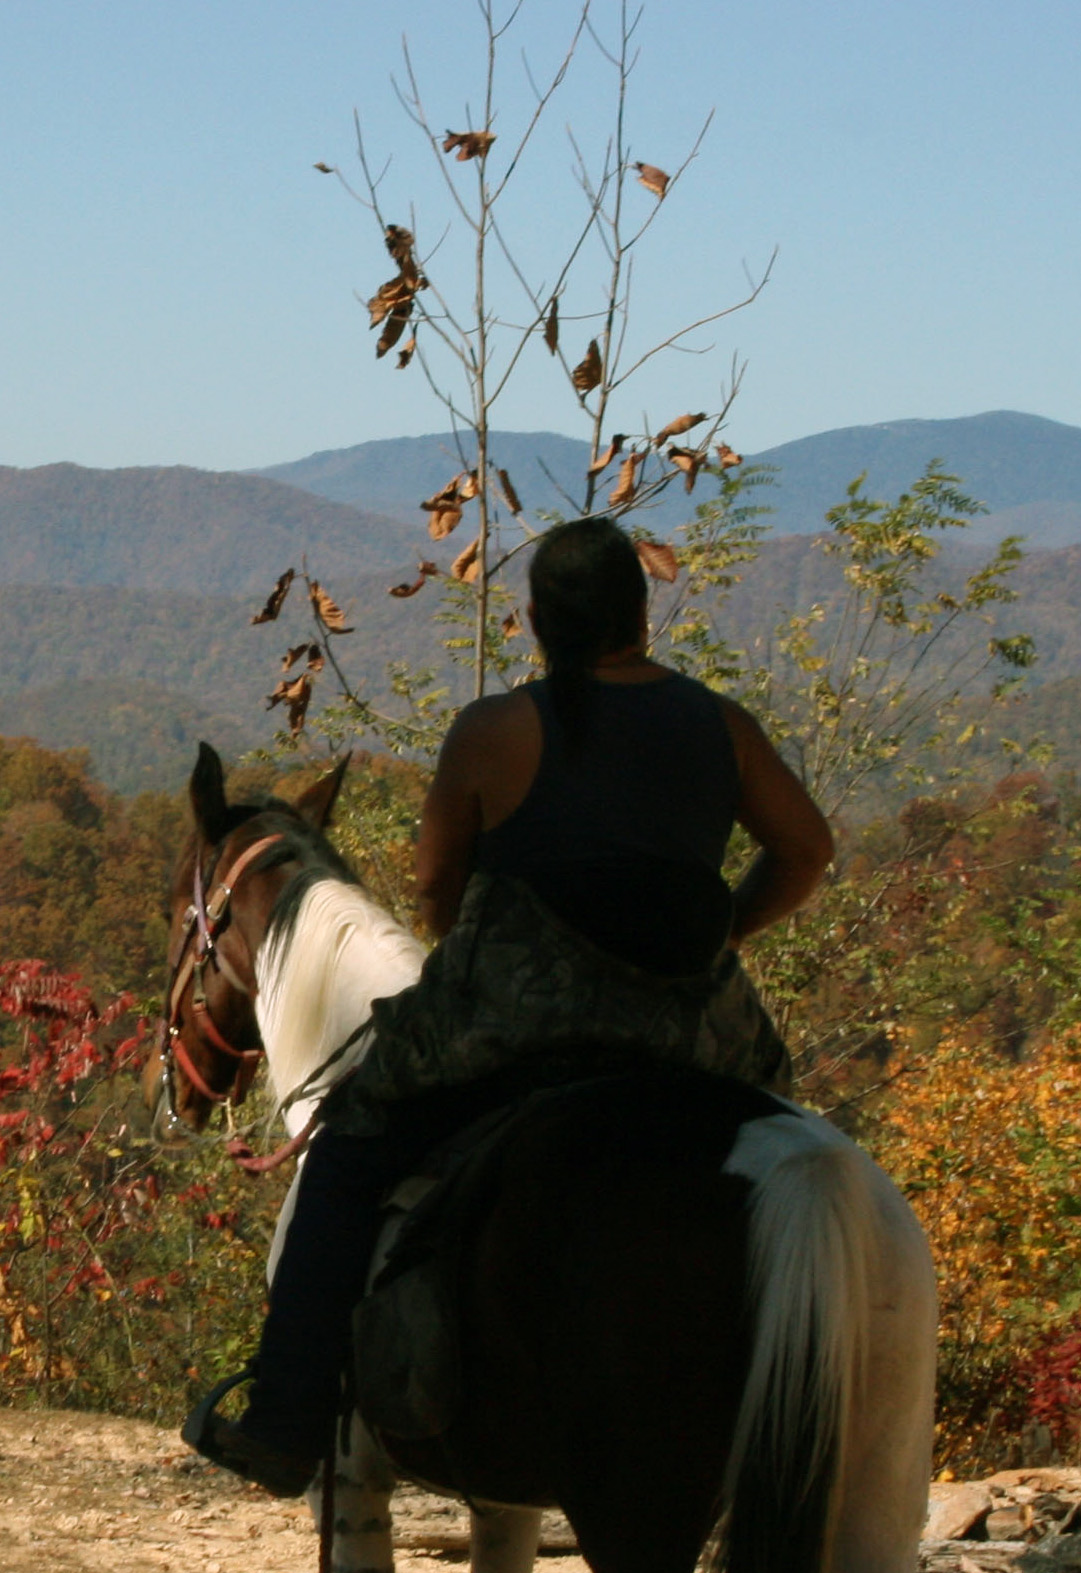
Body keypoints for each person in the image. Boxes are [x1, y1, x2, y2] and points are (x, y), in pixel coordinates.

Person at [185, 518, 833, 1496]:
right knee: (805, 1153)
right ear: (643, 616)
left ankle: (284, 1421)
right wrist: (721, 935)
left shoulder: (493, 733)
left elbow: (438, 895)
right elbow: (807, 852)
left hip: (524, 1022)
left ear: (533, 622)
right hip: (693, 1022)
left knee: (351, 1147)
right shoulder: (722, 728)